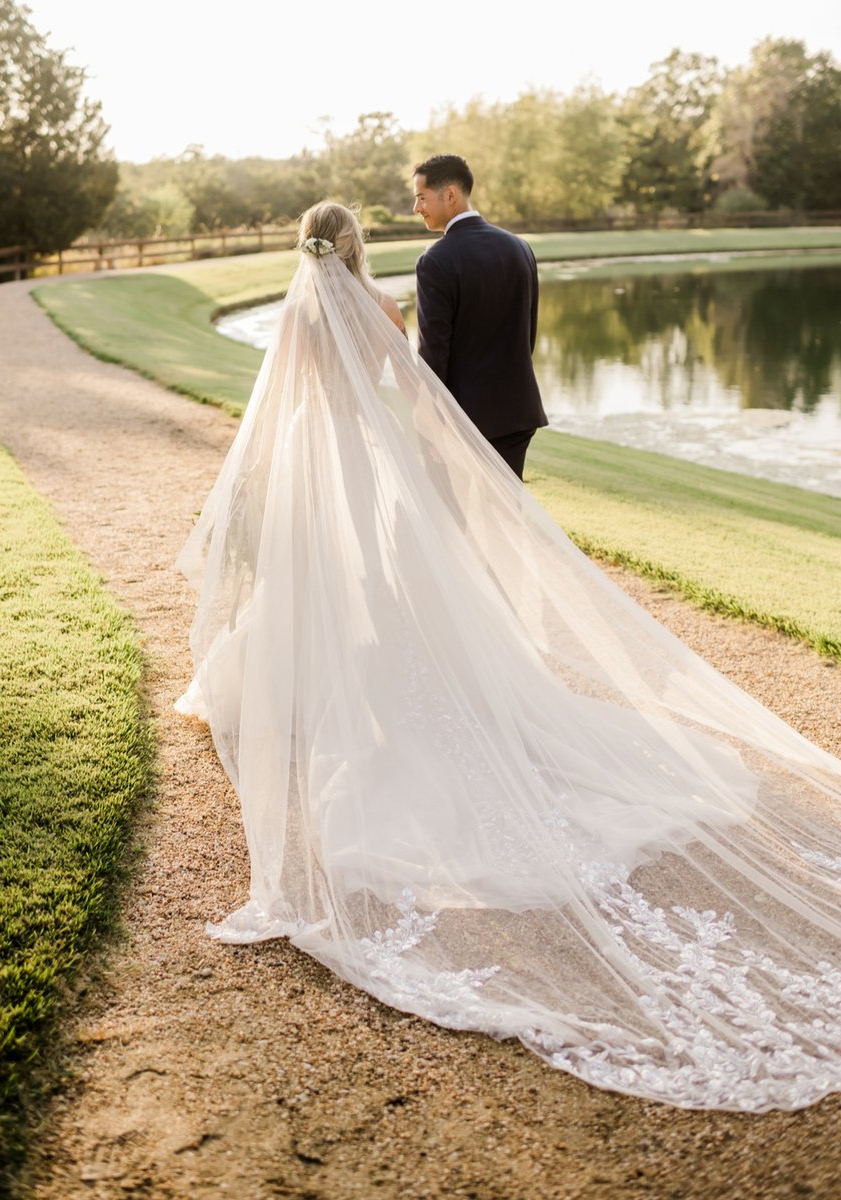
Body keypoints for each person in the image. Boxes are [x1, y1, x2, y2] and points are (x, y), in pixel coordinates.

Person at [176, 200, 841, 1113]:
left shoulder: (295, 312)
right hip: (365, 453)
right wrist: (451, 450)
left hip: (305, 455)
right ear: (357, 246)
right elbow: (415, 390)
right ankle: (366, 677)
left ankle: (297, 682)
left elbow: (282, 399)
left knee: (310, 578)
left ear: (305, 247)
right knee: (375, 574)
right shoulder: (381, 308)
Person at [412, 154, 546, 480]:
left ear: (450, 195)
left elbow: (433, 355)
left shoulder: (435, 260)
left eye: (421, 197)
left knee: (449, 508)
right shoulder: (520, 247)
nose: (416, 208)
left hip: (464, 420)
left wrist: (430, 420)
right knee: (506, 508)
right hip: (518, 412)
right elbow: (527, 335)